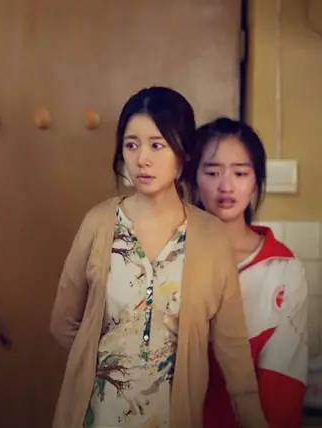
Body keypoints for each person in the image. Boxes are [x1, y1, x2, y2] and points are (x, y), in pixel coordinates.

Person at [50, 87, 267, 428]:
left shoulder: (211, 237)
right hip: (97, 415)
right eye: (131, 145)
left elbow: (233, 349)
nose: (142, 159)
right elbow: (63, 323)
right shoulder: (99, 223)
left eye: (157, 145)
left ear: (184, 154)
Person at [188, 118, 308, 428]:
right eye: (212, 172)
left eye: (240, 173)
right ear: (193, 180)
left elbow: (284, 377)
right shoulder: (171, 257)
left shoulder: (282, 268)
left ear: (256, 182)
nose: (226, 186)